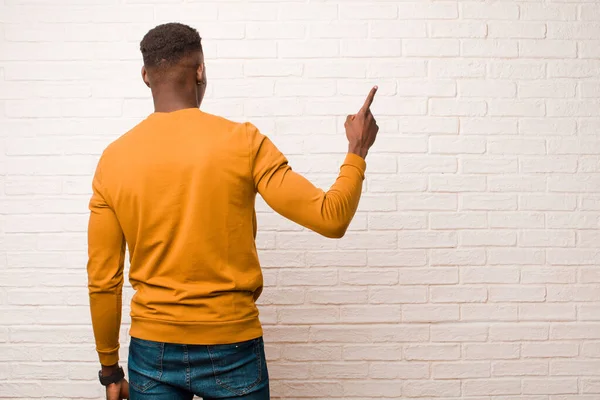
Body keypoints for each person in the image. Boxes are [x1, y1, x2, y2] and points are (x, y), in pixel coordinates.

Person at [86, 22, 379, 400]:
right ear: (200, 71)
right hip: (232, 347)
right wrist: (357, 151)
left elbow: (103, 278)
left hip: (152, 348)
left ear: (145, 76)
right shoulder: (244, 142)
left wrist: (109, 370)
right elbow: (331, 216)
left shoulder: (114, 160)